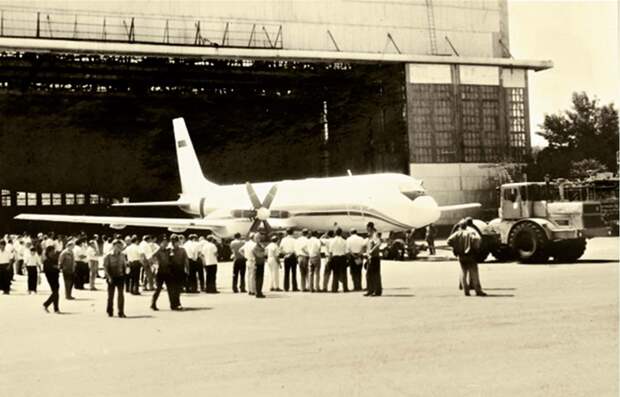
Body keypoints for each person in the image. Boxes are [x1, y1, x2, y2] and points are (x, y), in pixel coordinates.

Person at [447, 219, 486, 297]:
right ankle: (478, 290)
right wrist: (475, 248)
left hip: (461, 256)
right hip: (470, 255)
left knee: (463, 273)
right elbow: (477, 239)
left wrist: (456, 247)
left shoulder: (457, 234)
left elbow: (448, 241)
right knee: (474, 273)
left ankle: (466, 291)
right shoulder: (470, 232)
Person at [103, 240, 127, 317]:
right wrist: (109, 277)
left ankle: (121, 312)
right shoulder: (108, 256)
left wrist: (125, 274)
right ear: (113, 246)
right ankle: (110, 311)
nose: (119, 248)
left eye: (120, 246)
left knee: (121, 295)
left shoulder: (122, 255)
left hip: (120, 277)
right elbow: (105, 268)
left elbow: (124, 266)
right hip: (111, 277)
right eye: (117, 246)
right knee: (110, 296)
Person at [151, 236, 175, 310]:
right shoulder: (158, 251)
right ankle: (153, 304)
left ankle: (172, 305)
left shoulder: (169, 250)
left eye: (166, 242)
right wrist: (155, 265)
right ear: (160, 243)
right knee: (158, 289)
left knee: (170, 289)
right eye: (163, 242)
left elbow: (172, 258)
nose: (165, 243)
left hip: (168, 271)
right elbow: (152, 258)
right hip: (160, 272)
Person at [168, 235, 189, 310]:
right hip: (171, 271)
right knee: (172, 289)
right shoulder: (168, 250)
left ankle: (176, 303)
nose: (174, 243)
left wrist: (187, 269)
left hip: (179, 271)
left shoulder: (182, 250)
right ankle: (173, 304)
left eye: (175, 242)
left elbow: (186, 260)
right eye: (173, 242)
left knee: (178, 288)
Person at [364, 222, 382, 297]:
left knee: (375, 275)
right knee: (369, 274)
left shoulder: (375, 235)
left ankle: (376, 291)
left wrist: (372, 250)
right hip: (370, 258)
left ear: (370, 227)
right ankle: (370, 290)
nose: (366, 229)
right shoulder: (370, 236)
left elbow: (378, 243)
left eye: (367, 227)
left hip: (374, 258)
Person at [42, 245, 60, 313]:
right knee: (55, 292)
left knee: (56, 292)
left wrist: (57, 268)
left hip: (56, 276)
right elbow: (46, 269)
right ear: (48, 252)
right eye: (52, 251)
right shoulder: (46, 260)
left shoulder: (54, 259)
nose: (53, 252)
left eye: (53, 251)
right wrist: (55, 268)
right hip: (50, 277)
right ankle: (46, 304)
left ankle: (56, 308)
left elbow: (57, 267)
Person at [330, 228, 348, 293]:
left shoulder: (332, 241)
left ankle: (334, 288)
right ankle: (345, 288)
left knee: (335, 274)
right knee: (344, 274)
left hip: (335, 258)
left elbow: (331, 252)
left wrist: (330, 260)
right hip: (342, 258)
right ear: (341, 233)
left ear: (335, 232)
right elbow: (346, 251)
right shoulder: (344, 241)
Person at [252, 233, 267, 298]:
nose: (259, 239)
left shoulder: (260, 246)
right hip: (257, 264)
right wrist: (264, 252)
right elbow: (259, 255)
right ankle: (258, 292)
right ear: (255, 239)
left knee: (260, 279)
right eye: (257, 238)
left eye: (259, 238)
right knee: (258, 279)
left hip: (261, 263)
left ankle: (259, 291)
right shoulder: (255, 247)